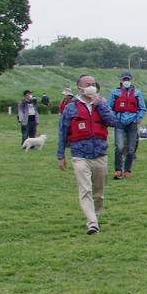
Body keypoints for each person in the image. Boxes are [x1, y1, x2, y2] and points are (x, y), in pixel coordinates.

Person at [55, 74, 121, 234]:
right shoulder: (71, 107)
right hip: (79, 154)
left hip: (99, 153)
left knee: (99, 191)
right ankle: (92, 223)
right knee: (85, 189)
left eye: (93, 83)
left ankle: (95, 216)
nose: (91, 86)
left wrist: (100, 105)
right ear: (80, 88)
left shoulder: (102, 103)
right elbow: (63, 131)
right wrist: (61, 155)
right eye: (87, 84)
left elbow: (113, 122)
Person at [105, 74, 144, 178]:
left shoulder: (137, 93)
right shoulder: (115, 92)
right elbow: (109, 107)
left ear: (131, 80)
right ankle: (118, 170)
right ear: (121, 80)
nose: (126, 81)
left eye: (128, 79)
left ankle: (127, 170)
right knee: (119, 147)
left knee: (131, 149)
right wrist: (115, 118)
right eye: (124, 79)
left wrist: (137, 119)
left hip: (132, 123)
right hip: (120, 122)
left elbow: (142, 108)